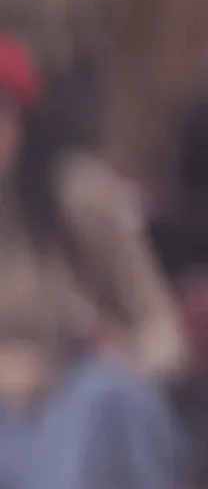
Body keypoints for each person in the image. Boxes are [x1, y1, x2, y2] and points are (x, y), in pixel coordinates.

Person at [0, 33, 189, 489]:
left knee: (108, 402)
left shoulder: (79, 200)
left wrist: (121, 362)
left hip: (88, 412)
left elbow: (165, 334)